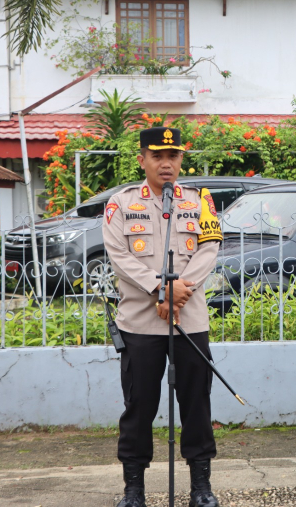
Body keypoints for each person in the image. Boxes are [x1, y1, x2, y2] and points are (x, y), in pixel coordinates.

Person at [103, 127, 223, 507]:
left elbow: (210, 248)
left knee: (196, 402)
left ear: (181, 160)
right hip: (140, 322)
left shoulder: (200, 200)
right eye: (157, 156)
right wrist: (160, 288)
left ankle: (201, 487)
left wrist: (177, 292)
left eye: (173, 155)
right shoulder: (120, 204)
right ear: (142, 160)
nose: (166, 163)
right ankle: (134, 489)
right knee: (139, 405)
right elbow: (119, 256)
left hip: (189, 319)